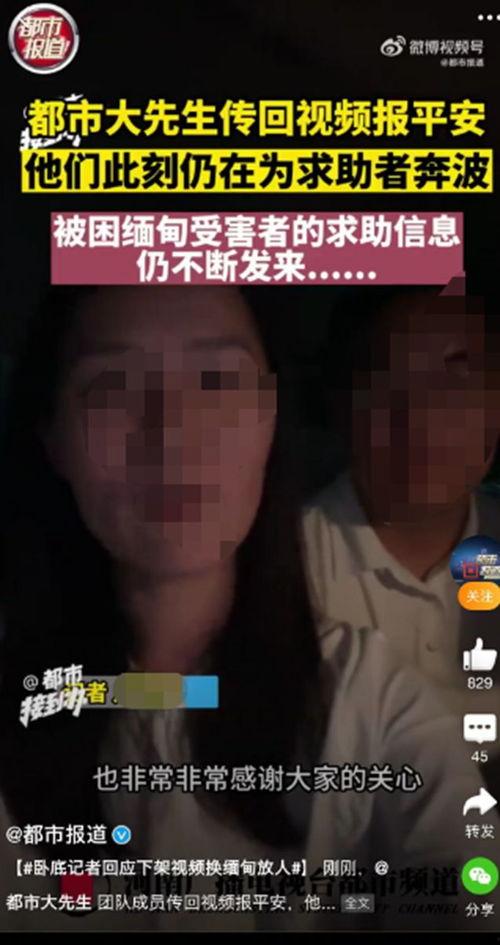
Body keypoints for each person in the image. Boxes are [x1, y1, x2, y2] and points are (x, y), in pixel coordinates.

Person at [0, 285, 493, 931]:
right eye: (112, 384)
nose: (173, 433)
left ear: (271, 417)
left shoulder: (367, 699)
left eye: (217, 380)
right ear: (53, 434)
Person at [303, 280, 500, 728]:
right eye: (385, 380)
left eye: (456, 378)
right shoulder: (284, 567)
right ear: (340, 406)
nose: (420, 415)